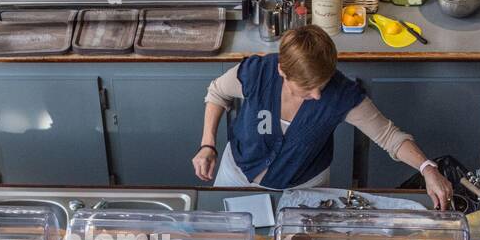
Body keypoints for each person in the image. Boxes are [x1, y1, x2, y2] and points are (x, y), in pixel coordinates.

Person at [193, 26, 455, 207]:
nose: (318, 95)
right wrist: (207, 145)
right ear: (283, 71)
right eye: (307, 88)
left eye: (323, 83)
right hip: (237, 175)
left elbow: (390, 137)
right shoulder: (258, 72)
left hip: (303, 188)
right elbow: (217, 93)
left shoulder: (342, 94)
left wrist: (427, 168)